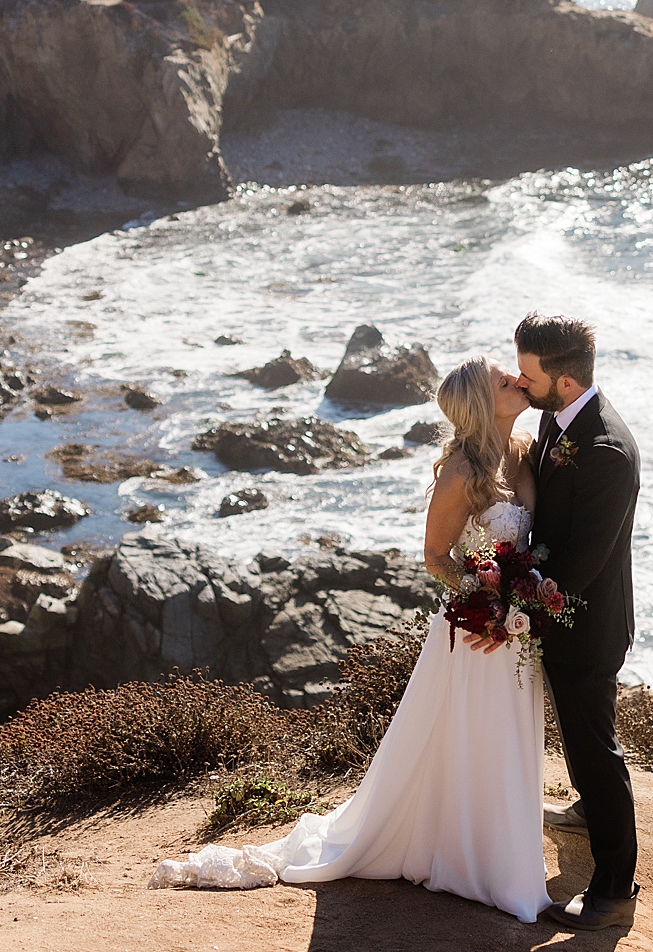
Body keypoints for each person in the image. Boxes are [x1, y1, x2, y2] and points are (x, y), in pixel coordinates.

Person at [151, 356, 555, 921]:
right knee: (471, 737)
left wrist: (526, 594)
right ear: (481, 404)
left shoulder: (521, 451)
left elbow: (539, 537)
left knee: (504, 739)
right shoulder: (461, 472)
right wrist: (487, 598)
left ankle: (500, 858)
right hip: (475, 630)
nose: (517, 380)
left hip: (513, 632)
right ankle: (473, 862)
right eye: (502, 380)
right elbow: (435, 557)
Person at [514, 312, 643, 931]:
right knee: (579, 735)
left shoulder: (606, 452)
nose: (519, 382)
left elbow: (582, 564)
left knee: (595, 745)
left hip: (587, 624)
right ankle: (590, 809)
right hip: (561, 613)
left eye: (527, 374)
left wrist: (517, 593)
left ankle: (616, 890)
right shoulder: (553, 417)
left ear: (564, 381)